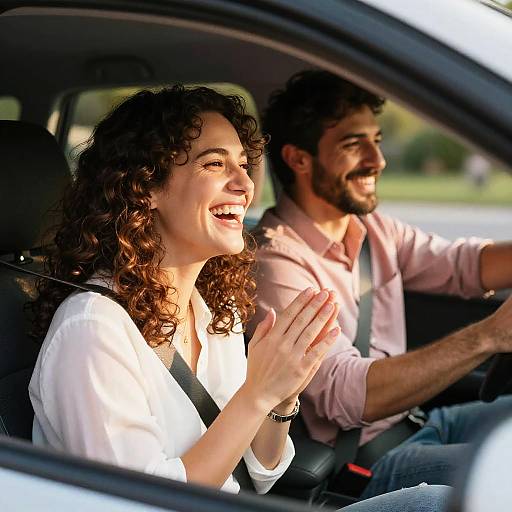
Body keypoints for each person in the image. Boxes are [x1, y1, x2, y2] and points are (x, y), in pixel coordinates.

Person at [27, 85, 449, 511]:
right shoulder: (92, 330)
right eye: (215, 164)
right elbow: (141, 502)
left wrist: (284, 395)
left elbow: (259, 473)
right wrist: (257, 394)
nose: (244, 184)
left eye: (244, 166)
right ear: (145, 188)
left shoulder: (213, 310)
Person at [248, 70, 512, 499]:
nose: (377, 160)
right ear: (299, 159)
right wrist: (487, 337)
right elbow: (349, 395)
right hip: (368, 461)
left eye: (377, 140)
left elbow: (463, 264)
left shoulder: (370, 230)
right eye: (355, 145)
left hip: (422, 423)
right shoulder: (276, 263)